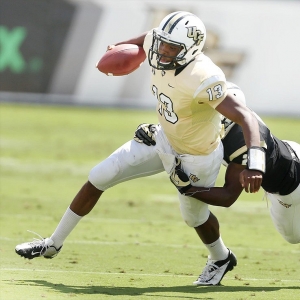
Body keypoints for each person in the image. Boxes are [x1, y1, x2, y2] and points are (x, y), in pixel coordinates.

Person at [15, 11, 264, 286]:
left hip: (197, 155)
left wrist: (255, 165)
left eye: (172, 47)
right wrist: (119, 48)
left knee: (194, 216)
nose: (163, 51)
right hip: (163, 138)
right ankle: (52, 243)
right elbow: (145, 39)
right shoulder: (158, 41)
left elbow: (246, 117)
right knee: (100, 175)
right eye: (163, 43)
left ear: (191, 48)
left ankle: (220, 257)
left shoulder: (204, 77)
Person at [136, 82, 300, 244]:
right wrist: (157, 131)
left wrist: (187, 188)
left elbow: (228, 197)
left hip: (291, 188)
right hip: (289, 151)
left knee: (293, 237)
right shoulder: (234, 123)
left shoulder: (241, 143)